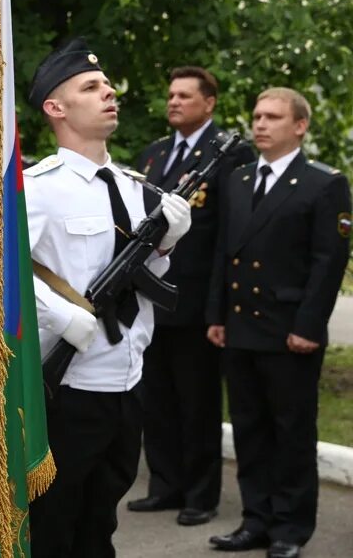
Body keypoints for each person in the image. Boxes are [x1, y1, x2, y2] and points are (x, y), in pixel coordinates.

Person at [22, 39, 192, 558]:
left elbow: (148, 275)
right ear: (56, 107)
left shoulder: (136, 186)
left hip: (127, 380)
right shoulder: (37, 188)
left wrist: (164, 243)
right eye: (90, 87)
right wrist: (61, 315)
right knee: (53, 526)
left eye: (108, 85)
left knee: (101, 524)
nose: (108, 92)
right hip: (66, 388)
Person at [206, 88, 350, 558]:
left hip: (289, 331)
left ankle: (290, 528)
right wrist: (216, 316)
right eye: (257, 116)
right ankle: (256, 520)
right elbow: (225, 254)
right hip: (242, 328)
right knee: (249, 428)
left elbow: (327, 263)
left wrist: (308, 326)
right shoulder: (240, 179)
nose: (260, 124)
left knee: (290, 432)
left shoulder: (323, 184)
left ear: (300, 126)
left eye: (272, 117)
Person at [128, 67, 255, 526]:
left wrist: (219, 305)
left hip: (198, 298)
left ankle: (201, 495)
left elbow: (231, 235)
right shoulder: (154, 155)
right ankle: (166, 484)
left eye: (184, 95)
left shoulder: (230, 153)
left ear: (209, 103)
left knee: (197, 402)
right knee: (157, 399)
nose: (174, 101)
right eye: (171, 94)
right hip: (152, 299)